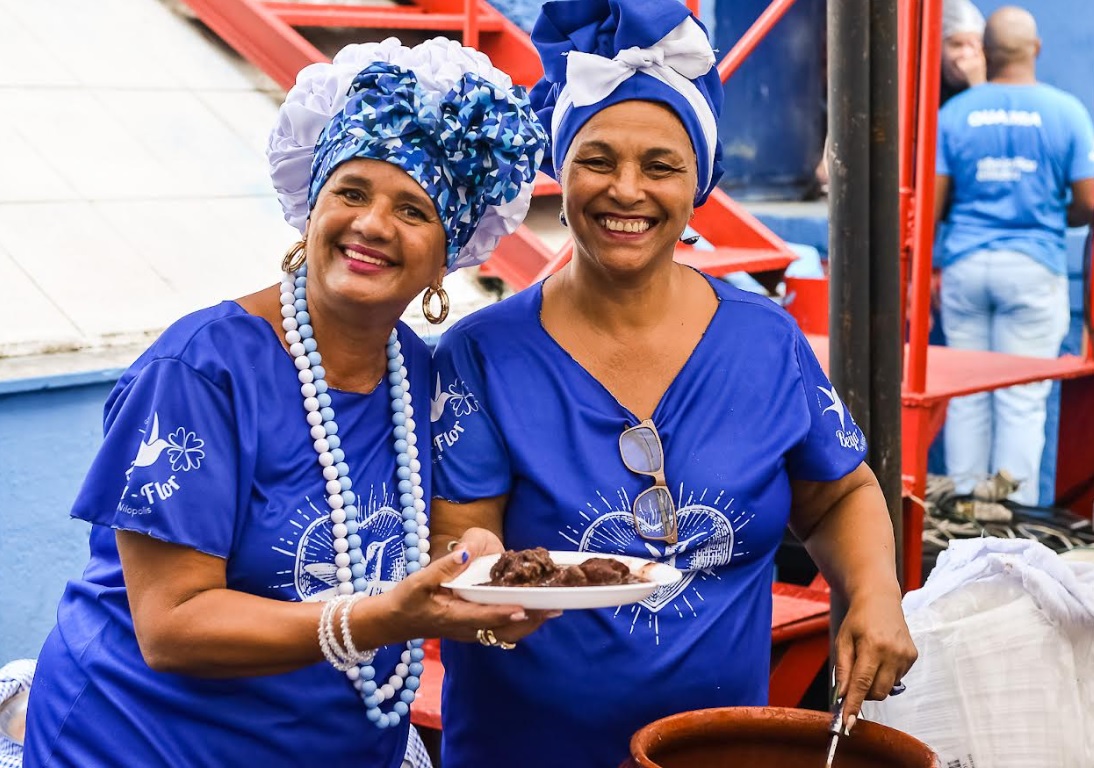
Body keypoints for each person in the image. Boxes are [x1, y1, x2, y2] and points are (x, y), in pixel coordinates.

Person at [22, 37, 550, 768]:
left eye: (412, 209)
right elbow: (171, 626)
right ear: (310, 208)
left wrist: (477, 570)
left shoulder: (422, 378)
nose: (371, 225)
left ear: (447, 255)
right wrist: (376, 620)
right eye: (351, 192)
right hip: (138, 746)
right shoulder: (202, 371)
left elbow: (399, 548)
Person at [428, 1, 918, 766]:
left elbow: (840, 494)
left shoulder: (764, 341)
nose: (627, 190)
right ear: (562, 168)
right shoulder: (483, 355)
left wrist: (877, 593)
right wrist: (479, 584)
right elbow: (460, 535)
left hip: (714, 750)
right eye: (597, 159)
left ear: (700, 184)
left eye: (661, 166)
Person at [934, 6, 1094, 506]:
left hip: (965, 267)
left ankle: (960, 515)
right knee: (1022, 399)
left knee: (966, 396)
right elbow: (1088, 202)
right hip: (1033, 265)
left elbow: (936, 203)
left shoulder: (954, 115)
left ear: (986, 50)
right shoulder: (1066, 111)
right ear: (1037, 49)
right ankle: (1013, 520)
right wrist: (1051, 214)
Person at [941, 0, 987, 107]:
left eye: (972, 45)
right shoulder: (926, 86)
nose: (966, 54)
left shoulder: (995, 82)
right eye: (957, 45)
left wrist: (978, 85)